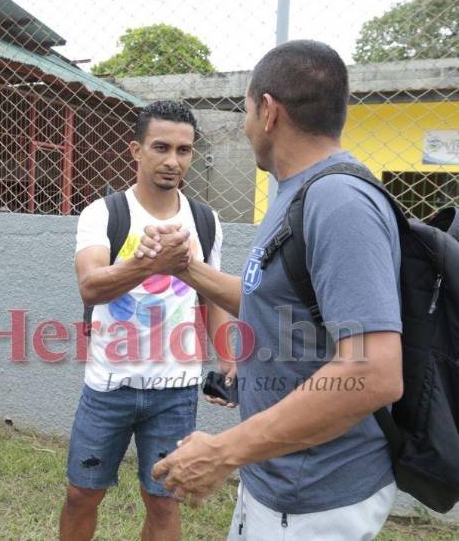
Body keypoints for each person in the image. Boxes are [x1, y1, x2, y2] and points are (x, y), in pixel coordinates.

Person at [150, 40, 403, 539]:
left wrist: (224, 451)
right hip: (276, 477)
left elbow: (374, 372)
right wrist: (186, 269)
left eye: (245, 110)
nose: (245, 127)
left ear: (268, 111)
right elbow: (279, 305)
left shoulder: (338, 201)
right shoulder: (298, 189)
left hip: (314, 498)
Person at [60, 100, 230, 541]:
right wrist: (149, 262)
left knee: (163, 498)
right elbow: (91, 286)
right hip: (108, 387)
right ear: (136, 151)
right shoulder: (104, 213)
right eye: (161, 147)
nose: (173, 161)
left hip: (175, 391)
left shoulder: (204, 221)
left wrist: (230, 359)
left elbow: (211, 296)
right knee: (82, 494)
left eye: (184, 150)